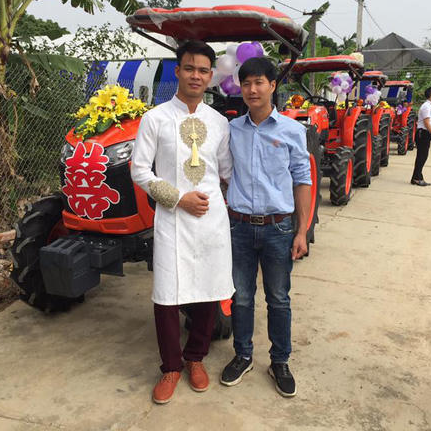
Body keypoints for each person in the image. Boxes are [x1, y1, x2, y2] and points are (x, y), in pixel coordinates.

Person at [130, 40, 234, 405]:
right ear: (177, 71)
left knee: (208, 287)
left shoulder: (219, 123)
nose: (196, 76)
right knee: (167, 294)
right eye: (189, 68)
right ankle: (171, 366)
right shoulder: (155, 119)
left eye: (203, 70)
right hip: (173, 216)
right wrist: (178, 198)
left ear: (211, 76)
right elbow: (139, 170)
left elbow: (226, 172)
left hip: (210, 219)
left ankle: (196, 358)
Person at [220, 57, 312, 398]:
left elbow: (302, 180)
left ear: (273, 85)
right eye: (246, 83)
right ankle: (243, 355)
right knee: (241, 297)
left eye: (259, 82)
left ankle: (280, 361)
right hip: (240, 227)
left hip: (278, 228)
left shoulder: (292, 130)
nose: (252, 89)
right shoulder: (231, 130)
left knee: (278, 298)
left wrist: (301, 231)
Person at [411, 86, 431, 186]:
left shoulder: (429, 106)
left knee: (422, 156)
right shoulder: (426, 106)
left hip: (425, 133)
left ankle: (416, 177)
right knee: (422, 156)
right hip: (423, 133)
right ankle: (417, 178)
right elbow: (426, 122)